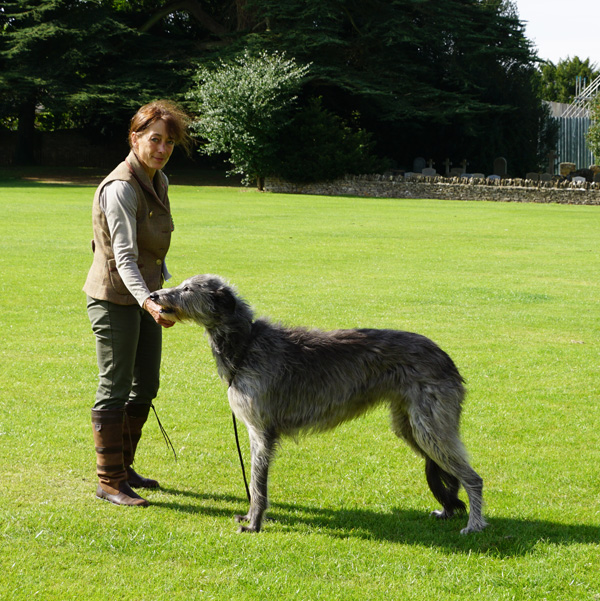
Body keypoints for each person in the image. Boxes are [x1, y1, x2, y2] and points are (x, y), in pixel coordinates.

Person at [83, 100, 191, 506]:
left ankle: (124, 467)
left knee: (146, 383)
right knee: (114, 385)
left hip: (147, 295)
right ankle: (109, 480)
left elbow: (154, 253)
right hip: (114, 297)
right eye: (155, 139)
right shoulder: (122, 187)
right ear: (135, 138)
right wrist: (148, 302)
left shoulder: (157, 179)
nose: (162, 149)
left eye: (169, 142)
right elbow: (124, 257)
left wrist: (167, 293)